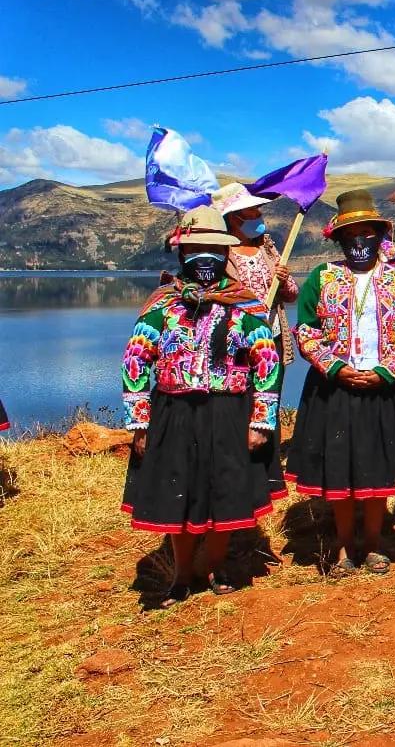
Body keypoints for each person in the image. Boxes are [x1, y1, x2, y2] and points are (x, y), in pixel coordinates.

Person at [120, 205, 282, 607]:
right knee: (180, 490)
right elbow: (136, 357)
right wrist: (140, 422)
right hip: (173, 413)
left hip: (228, 411)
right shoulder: (162, 305)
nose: (204, 257)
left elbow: (267, 359)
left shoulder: (244, 305)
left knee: (223, 490)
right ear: (181, 254)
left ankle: (214, 565)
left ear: (226, 253)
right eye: (195, 249)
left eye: (213, 248)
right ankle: (181, 573)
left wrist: (261, 420)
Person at [289, 189, 395, 577]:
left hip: (383, 386)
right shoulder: (323, 277)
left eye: (367, 233)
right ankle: (342, 547)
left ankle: (373, 544)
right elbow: (306, 328)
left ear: (380, 237)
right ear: (339, 239)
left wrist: (387, 369)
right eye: (351, 235)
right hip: (335, 386)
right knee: (341, 470)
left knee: (376, 467)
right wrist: (334, 366)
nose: (360, 241)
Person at [211, 182, 297, 504]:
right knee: (240, 403)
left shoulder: (266, 245)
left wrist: (285, 277)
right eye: (252, 210)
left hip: (271, 337)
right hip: (237, 341)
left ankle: (269, 472)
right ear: (234, 217)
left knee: (269, 401)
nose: (259, 215)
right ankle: (238, 467)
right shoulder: (221, 252)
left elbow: (290, 296)